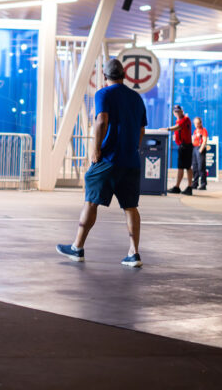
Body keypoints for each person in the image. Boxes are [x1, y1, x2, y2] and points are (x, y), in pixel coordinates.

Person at [56, 58, 147, 268]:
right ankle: (134, 253)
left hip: (108, 159)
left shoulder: (103, 93)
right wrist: (132, 148)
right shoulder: (136, 98)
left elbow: (101, 120)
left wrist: (96, 149)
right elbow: (141, 129)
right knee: (131, 207)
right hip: (131, 161)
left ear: (104, 77)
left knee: (91, 201)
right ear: (124, 76)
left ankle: (77, 248)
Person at [167, 104, 193, 195]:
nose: (177, 113)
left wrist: (167, 129)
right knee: (181, 167)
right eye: (175, 111)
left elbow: (178, 127)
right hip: (182, 146)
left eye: (178, 111)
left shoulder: (185, 119)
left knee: (187, 167)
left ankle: (189, 187)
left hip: (186, 146)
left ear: (182, 111)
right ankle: (177, 187)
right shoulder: (178, 120)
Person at [191, 117, 209, 190]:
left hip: (200, 148)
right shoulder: (195, 131)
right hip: (194, 149)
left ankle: (203, 184)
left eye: (198, 123)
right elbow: (193, 139)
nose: (196, 125)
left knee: (201, 167)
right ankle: (195, 183)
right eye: (195, 123)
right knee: (195, 167)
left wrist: (200, 150)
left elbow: (204, 140)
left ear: (201, 123)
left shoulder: (203, 130)